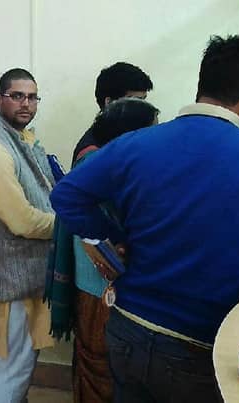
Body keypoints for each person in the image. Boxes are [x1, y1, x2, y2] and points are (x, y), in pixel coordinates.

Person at [51, 34, 239, 403]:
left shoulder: (135, 143)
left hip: (128, 327)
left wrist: (113, 237)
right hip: (201, 340)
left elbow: (66, 195)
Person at [46, 98, 159, 403]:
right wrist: (107, 236)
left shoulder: (121, 165)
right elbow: (67, 201)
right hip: (99, 289)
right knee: (99, 367)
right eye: (152, 130)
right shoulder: (101, 165)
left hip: (104, 289)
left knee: (104, 368)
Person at [0, 68, 55, 402]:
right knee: (12, 363)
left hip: (32, 272)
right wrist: (68, 226)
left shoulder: (22, 138)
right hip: (15, 274)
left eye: (32, 97)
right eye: (17, 96)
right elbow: (22, 221)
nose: (26, 104)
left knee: (23, 359)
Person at [71, 62, 154, 165]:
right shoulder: (91, 155)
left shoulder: (132, 136)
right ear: (109, 103)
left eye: (143, 100)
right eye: (135, 101)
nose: (143, 108)